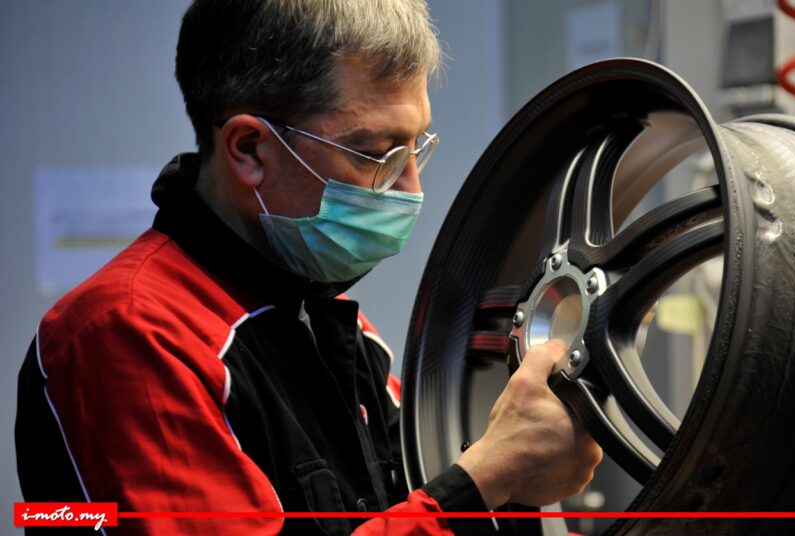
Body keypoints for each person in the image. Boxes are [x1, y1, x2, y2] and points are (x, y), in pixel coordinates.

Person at [14, 1, 602, 534]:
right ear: (249, 149)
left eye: (416, 147)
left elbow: (411, 502)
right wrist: (485, 480)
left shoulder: (333, 321)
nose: (411, 189)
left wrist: (520, 473)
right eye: (376, 154)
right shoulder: (126, 333)